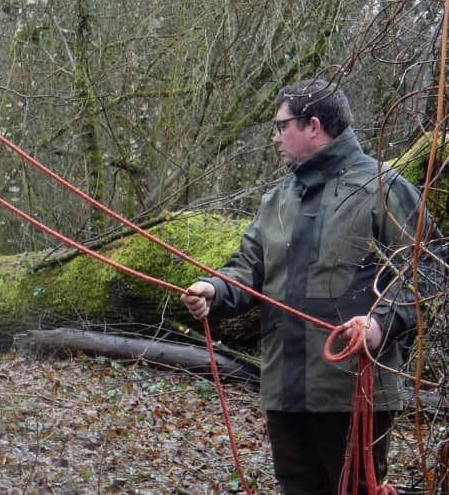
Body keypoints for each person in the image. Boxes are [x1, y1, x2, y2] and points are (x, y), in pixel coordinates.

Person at [181, 79, 430, 494]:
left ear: (313, 125)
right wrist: (213, 289)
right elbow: (248, 267)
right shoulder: (277, 200)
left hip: (353, 393)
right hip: (284, 388)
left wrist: (380, 325)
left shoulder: (384, 189)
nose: (275, 137)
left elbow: (428, 272)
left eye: (281, 126)